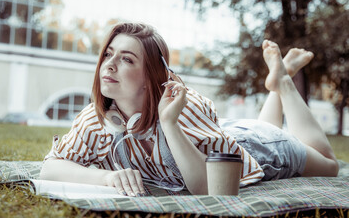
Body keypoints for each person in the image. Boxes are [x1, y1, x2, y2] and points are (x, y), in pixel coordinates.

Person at [40, 23, 338, 196]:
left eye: (127, 59)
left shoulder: (183, 107)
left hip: (264, 149)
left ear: (150, 77)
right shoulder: (97, 119)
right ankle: (278, 79)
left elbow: (208, 189)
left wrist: (169, 123)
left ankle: (284, 83)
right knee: (264, 125)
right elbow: (51, 168)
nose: (110, 63)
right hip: (229, 136)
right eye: (108, 54)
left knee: (329, 164)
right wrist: (105, 178)